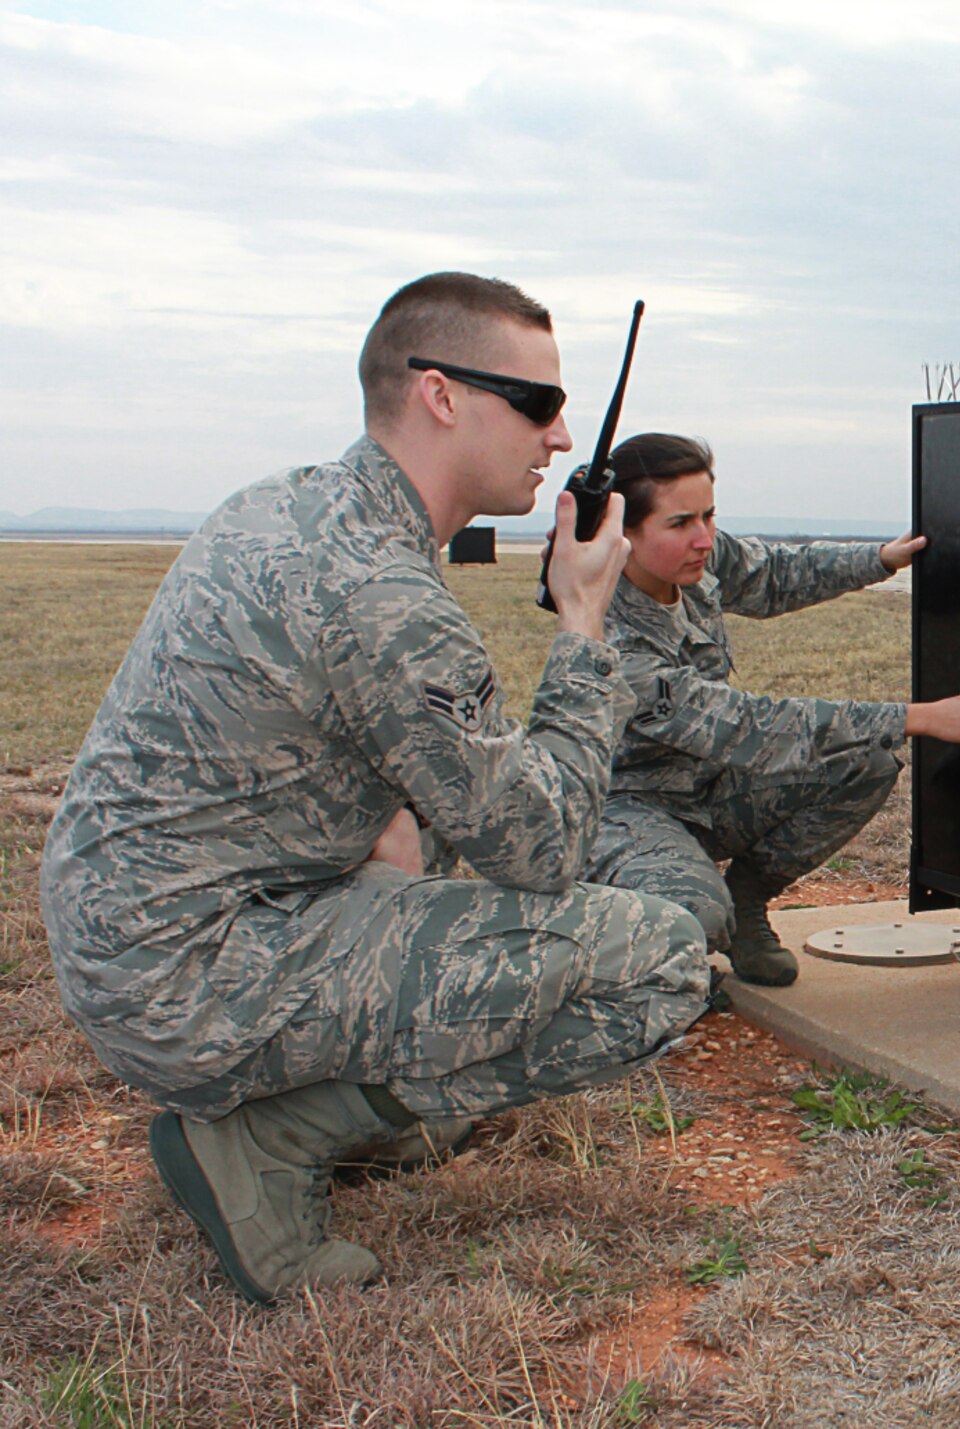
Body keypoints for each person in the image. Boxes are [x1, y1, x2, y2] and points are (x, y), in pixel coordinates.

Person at [37, 274, 710, 1306]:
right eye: (536, 403)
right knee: (660, 962)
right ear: (440, 395)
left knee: (435, 849)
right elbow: (545, 850)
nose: (559, 432)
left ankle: (335, 1099)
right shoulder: (383, 592)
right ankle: (268, 1140)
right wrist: (582, 625)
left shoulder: (289, 503)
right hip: (191, 974)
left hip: (132, 929)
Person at [585, 433, 960, 987]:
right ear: (621, 532)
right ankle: (651, 922)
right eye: (679, 524)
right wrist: (915, 717)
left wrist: (880, 558)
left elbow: (774, 573)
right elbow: (748, 726)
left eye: (709, 516)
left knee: (864, 761)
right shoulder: (609, 638)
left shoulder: (696, 558)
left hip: (709, 791)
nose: (703, 538)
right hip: (630, 812)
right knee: (693, 920)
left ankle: (747, 900)